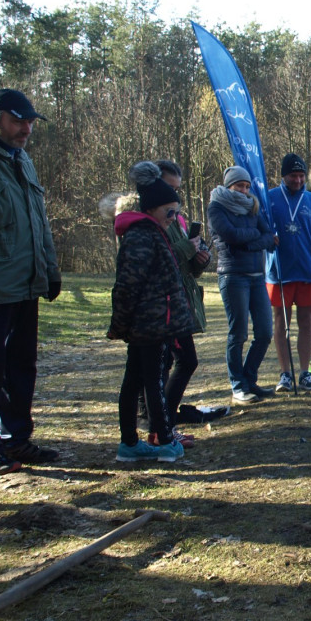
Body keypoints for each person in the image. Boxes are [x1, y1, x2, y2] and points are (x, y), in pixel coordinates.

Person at [0, 88, 61, 475]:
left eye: (30, 122)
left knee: (22, 366)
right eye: (18, 121)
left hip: (27, 284)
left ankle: (17, 440)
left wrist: (51, 270)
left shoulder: (23, 159)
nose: (26, 129)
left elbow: (39, 222)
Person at [108, 162, 193, 462]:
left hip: (154, 323)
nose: (173, 219)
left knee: (135, 382)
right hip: (151, 325)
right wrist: (120, 324)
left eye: (176, 213)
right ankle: (165, 442)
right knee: (152, 382)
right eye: (169, 213)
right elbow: (127, 285)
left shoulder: (153, 232)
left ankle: (130, 444)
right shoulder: (142, 235)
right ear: (152, 209)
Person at [146, 160, 210, 448]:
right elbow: (160, 258)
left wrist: (199, 260)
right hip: (162, 304)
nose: (174, 196)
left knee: (178, 362)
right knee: (172, 364)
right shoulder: (150, 218)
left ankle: (164, 428)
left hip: (180, 301)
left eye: (177, 190)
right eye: (169, 187)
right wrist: (186, 248)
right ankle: (161, 430)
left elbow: (184, 266)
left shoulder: (176, 218)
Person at [208, 165, 278, 405]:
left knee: (265, 333)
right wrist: (255, 237)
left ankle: (249, 379)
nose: (244, 191)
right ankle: (238, 386)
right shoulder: (216, 207)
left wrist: (249, 240)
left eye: (247, 186)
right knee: (238, 334)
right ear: (229, 186)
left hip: (257, 277)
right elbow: (231, 236)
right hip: (233, 276)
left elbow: (269, 238)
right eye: (240, 186)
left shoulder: (252, 207)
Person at [266, 153, 311, 393]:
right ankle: (285, 374)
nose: (298, 180)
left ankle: (305, 373)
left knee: (306, 323)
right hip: (279, 273)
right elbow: (260, 230)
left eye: (301, 175)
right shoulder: (269, 199)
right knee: (281, 322)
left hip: (308, 273)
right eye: (293, 175)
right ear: (283, 175)